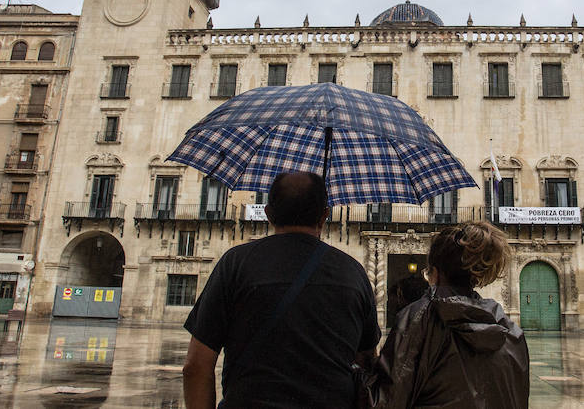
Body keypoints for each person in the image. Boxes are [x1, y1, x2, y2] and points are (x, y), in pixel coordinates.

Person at [182, 171, 380, 408]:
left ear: (268, 213)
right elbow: (367, 362)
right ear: (324, 215)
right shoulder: (353, 272)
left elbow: (195, 366)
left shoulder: (235, 264)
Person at [374, 221, 530, 408]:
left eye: (427, 272)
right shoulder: (512, 333)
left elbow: (386, 401)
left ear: (436, 274)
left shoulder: (417, 321)